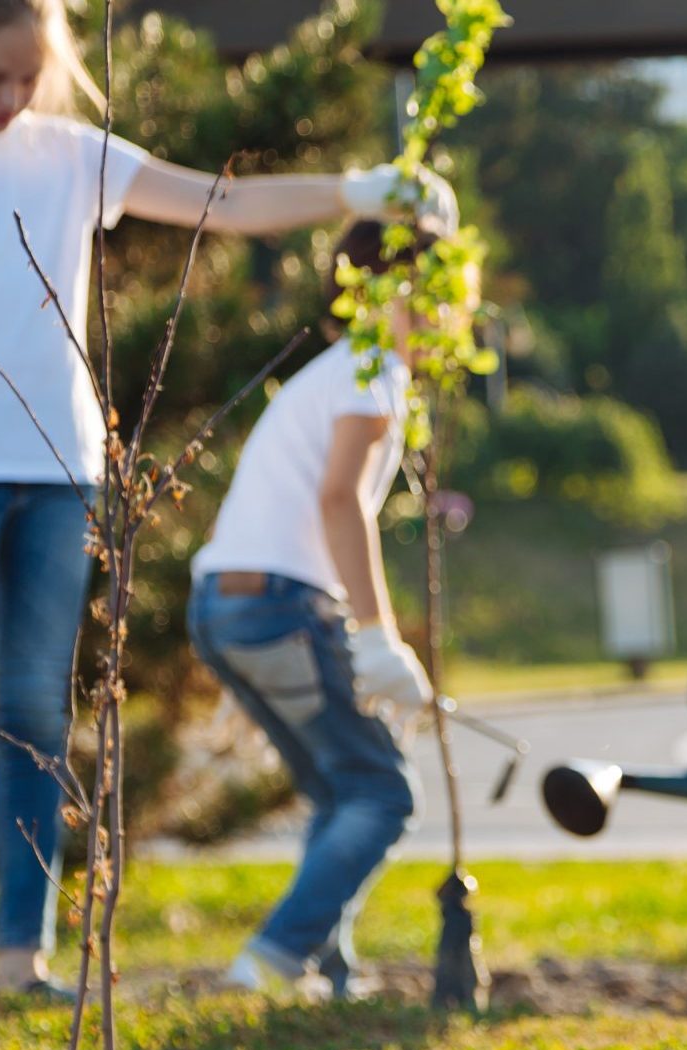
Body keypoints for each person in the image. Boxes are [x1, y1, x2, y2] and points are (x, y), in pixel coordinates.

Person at [0, 0, 452, 1026]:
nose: (9, 100)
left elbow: (219, 204)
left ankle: (23, 961)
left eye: (26, 78)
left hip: (61, 470)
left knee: (34, 716)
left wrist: (353, 191)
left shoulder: (70, 152)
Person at [188, 221, 456, 1000]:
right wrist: (376, 641)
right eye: (445, 301)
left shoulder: (335, 371)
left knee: (343, 790)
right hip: (278, 604)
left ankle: (328, 970)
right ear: (391, 297)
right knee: (383, 794)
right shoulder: (372, 377)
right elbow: (340, 500)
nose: (455, 323)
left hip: (224, 604)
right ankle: (271, 963)